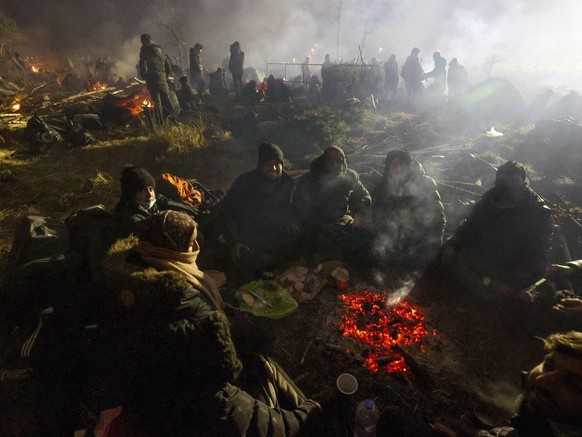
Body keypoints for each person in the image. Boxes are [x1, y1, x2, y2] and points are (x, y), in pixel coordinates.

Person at [100, 211, 321, 436]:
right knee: (265, 368)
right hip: (182, 407)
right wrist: (306, 414)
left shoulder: (133, 272)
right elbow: (248, 417)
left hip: (154, 388)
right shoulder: (188, 321)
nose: (197, 245)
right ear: (170, 249)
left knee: (264, 360)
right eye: (191, 242)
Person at [378, 331, 582, 437]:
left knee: (395, 419)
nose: (543, 381)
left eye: (572, 385)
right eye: (548, 365)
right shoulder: (538, 424)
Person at [440, 161, 554, 300]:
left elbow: (537, 256)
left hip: (507, 272)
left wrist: (514, 284)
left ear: (524, 183)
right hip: (479, 260)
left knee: (514, 298)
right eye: (502, 181)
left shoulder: (537, 213)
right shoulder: (488, 200)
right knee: (442, 256)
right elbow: (468, 227)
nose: (507, 186)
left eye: (512, 181)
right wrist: (453, 244)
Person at [218, 142, 301, 283]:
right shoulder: (245, 182)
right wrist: (235, 241)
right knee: (244, 262)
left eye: (277, 163)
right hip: (248, 237)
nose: (274, 168)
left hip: (275, 236)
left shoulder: (288, 184)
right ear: (261, 164)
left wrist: (292, 224)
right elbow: (227, 213)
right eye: (269, 163)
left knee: (301, 242)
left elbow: (292, 210)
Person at [294, 146, 372, 263]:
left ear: (343, 162)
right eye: (330, 160)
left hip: (343, 221)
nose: (335, 164)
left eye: (338, 160)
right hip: (318, 224)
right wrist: (321, 225)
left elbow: (364, 197)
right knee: (320, 245)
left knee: (366, 237)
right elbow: (301, 208)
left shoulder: (350, 177)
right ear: (323, 161)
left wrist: (358, 215)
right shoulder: (309, 180)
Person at [372, 149, 445, 271]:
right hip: (394, 241)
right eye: (394, 165)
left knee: (424, 265)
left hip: (420, 241)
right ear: (388, 169)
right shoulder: (382, 189)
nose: (399, 168)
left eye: (402, 164)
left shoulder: (424, 184)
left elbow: (438, 217)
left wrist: (434, 243)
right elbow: (377, 219)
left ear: (409, 166)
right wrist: (380, 243)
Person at [112, 165, 198, 239]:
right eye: (142, 191)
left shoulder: (156, 200)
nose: (149, 194)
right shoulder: (128, 218)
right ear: (131, 195)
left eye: (151, 189)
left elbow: (185, 209)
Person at [138, 33, 178, 123]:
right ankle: (174, 120)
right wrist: (165, 76)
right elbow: (167, 65)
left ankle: (160, 124)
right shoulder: (160, 50)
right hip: (163, 79)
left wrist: (145, 76)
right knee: (167, 100)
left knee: (157, 102)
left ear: (144, 41)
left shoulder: (144, 49)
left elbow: (142, 65)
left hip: (152, 80)